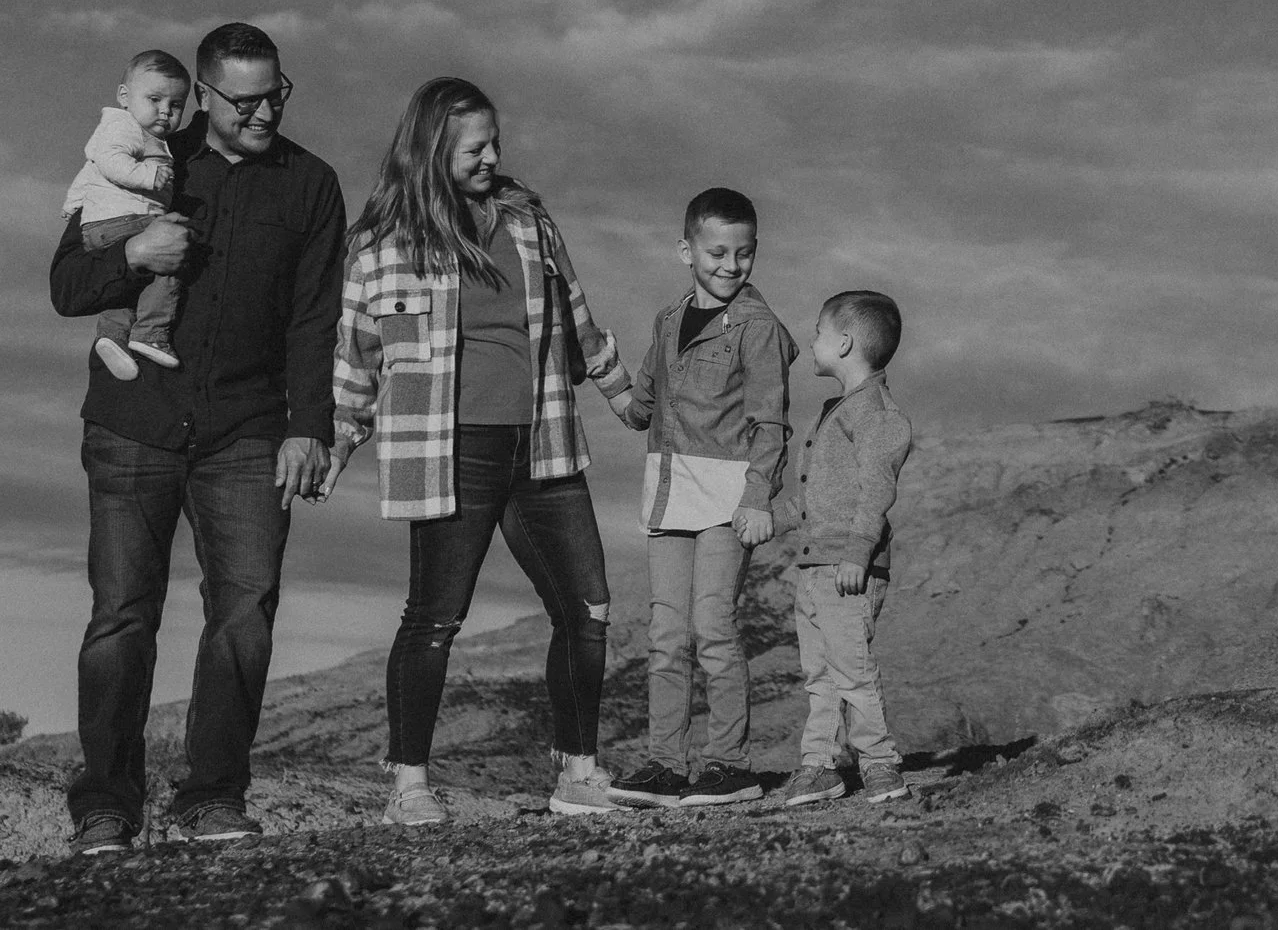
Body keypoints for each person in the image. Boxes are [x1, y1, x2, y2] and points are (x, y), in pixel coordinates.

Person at [48, 22, 345, 856]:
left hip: (248, 431)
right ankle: (107, 806)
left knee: (244, 613)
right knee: (121, 615)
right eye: (243, 101)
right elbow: (66, 284)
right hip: (133, 423)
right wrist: (136, 254)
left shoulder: (312, 184)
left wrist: (310, 427)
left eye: (274, 96)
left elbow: (315, 318)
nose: (263, 113)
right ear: (205, 95)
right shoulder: (142, 158)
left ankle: (212, 797)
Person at [324, 76, 638, 823]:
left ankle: (578, 773)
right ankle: (408, 785)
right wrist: (340, 436)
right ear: (432, 149)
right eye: (475, 148)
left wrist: (626, 395)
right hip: (448, 449)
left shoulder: (529, 223)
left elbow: (577, 317)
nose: (492, 157)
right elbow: (356, 352)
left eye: (495, 143)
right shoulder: (381, 246)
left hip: (544, 441)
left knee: (588, 607)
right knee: (434, 617)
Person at [607, 189, 795, 810]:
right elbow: (641, 408)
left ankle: (729, 766)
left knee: (713, 627)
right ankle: (666, 765)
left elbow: (771, 422)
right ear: (686, 251)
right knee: (666, 634)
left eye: (744, 253)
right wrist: (601, 370)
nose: (731, 265)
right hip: (667, 492)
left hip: (727, 500)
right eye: (717, 252)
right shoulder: (667, 321)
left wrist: (758, 497)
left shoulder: (758, 328)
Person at [780, 290, 914, 807]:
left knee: (852, 671)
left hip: (846, 567)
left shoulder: (876, 414)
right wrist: (770, 522)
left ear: (844, 342)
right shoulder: (836, 412)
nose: (811, 340)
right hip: (816, 566)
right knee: (819, 675)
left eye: (818, 331)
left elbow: (876, 489)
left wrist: (858, 552)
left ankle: (880, 764)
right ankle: (820, 766)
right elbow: (811, 501)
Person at [60, 49, 192, 380]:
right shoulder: (126, 126)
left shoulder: (133, 130)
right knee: (170, 251)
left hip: (100, 226)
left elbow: (91, 170)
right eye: (155, 99)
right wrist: (149, 175)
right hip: (125, 219)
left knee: (128, 282)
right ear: (124, 97)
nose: (165, 111)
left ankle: (112, 335)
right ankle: (151, 333)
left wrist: (74, 205)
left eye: (176, 105)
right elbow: (110, 160)